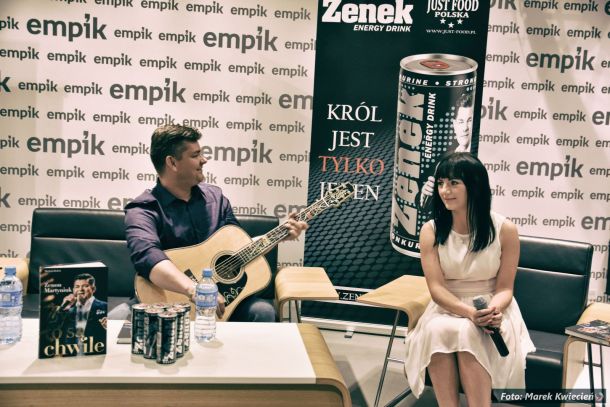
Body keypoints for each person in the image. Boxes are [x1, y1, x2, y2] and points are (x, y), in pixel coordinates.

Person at [124, 124, 308, 322]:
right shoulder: (142, 209)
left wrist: (280, 235)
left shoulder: (216, 198)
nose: (204, 160)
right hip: (164, 302)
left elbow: (240, 250)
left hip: (225, 300)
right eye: (195, 155)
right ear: (172, 163)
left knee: (263, 312)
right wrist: (195, 289)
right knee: (115, 318)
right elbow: (148, 258)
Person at [404, 152, 535, 406]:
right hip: (447, 305)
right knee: (436, 329)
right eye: (441, 183)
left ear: (474, 186)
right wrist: (469, 313)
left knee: (469, 331)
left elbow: (505, 288)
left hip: (492, 307)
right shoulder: (430, 231)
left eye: (454, 183)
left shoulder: (505, 230)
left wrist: (489, 313)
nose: (445, 191)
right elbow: (436, 289)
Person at [418, 93, 474, 210]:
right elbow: (424, 208)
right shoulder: (443, 159)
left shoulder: (479, 159)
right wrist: (424, 195)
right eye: (461, 122)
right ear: (454, 125)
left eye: (469, 121)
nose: (465, 128)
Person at [61, 273, 108, 352]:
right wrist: (64, 307)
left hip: (95, 352)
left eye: (85, 286)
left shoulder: (105, 306)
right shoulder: (67, 309)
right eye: (77, 286)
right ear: (73, 290)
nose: (80, 289)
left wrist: (107, 327)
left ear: (93, 289)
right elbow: (54, 330)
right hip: (71, 353)